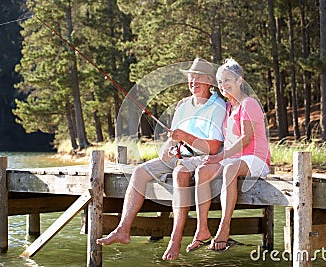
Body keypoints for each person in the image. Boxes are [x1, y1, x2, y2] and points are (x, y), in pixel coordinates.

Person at [96, 58, 226, 261]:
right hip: (181, 155)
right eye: (191, 78)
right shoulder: (183, 106)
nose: (193, 82)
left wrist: (185, 138)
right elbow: (172, 141)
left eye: (199, 78)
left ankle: (175, 239)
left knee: (179, 171)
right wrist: (167, 150)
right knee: (139, 171)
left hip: (204, 159)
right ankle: (123, 229)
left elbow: (214, 146)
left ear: (210, 80)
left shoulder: (218, 106)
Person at [186, 58, 271, 252]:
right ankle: (202, 229)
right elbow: (206, 110)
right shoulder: (227, 108)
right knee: (202, 172)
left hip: (256, 158)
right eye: (220, 82)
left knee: (230, 168)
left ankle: (224, 228)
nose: (223, 85)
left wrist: (220, 157)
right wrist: (190, 103)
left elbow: (246, 139)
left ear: (239, 80)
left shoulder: (248, 104)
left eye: (227, 80)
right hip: (234, 159)